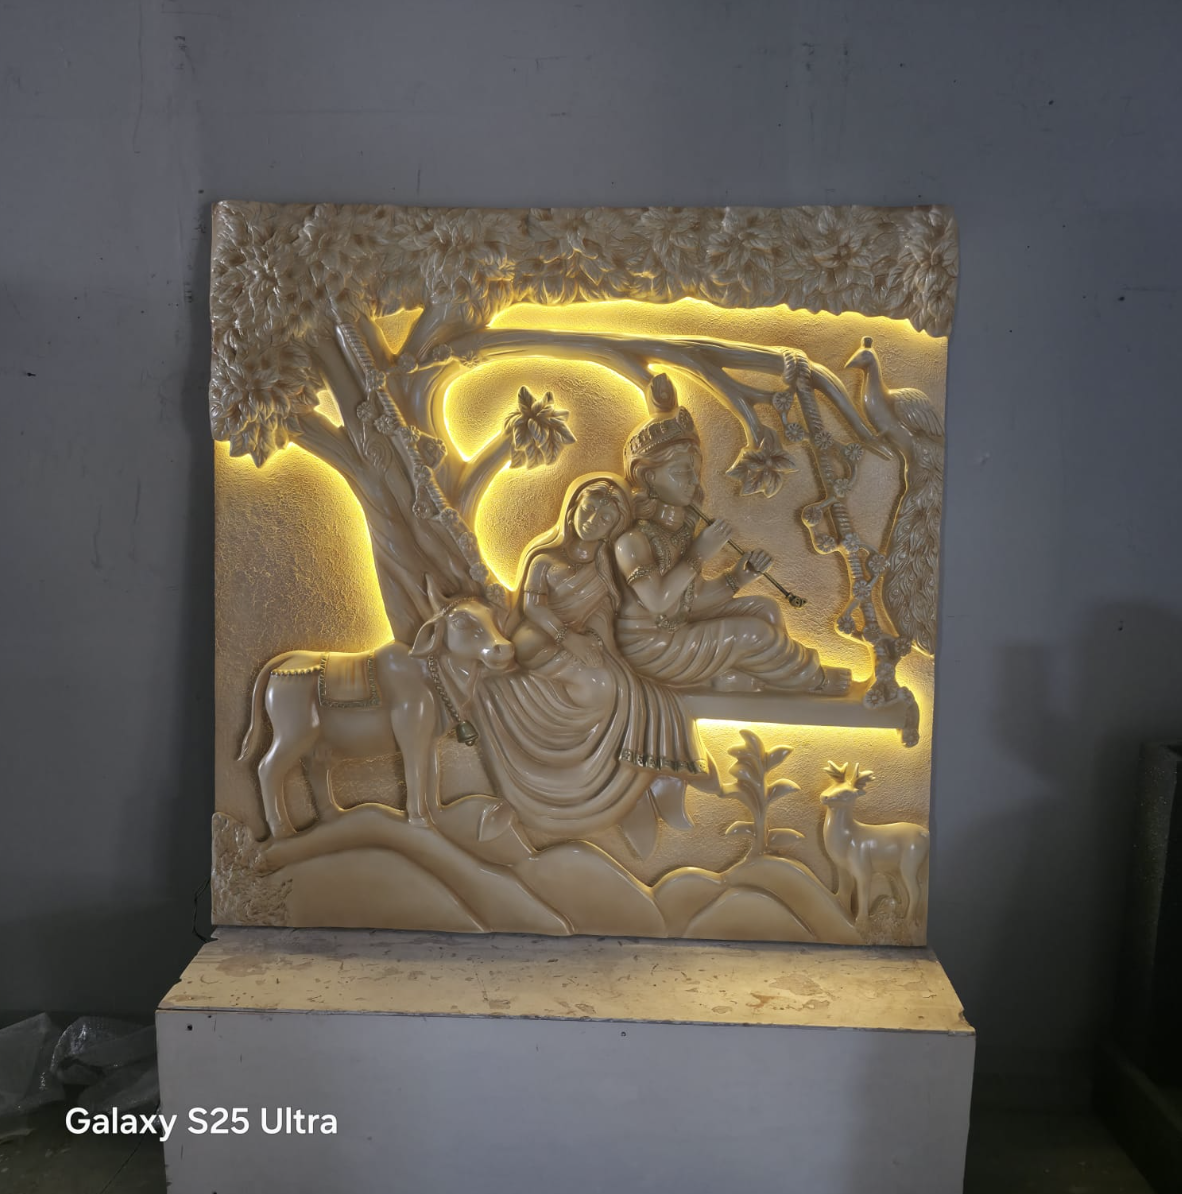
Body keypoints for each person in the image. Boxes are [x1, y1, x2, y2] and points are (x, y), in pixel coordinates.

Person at [474, 475, 703, 838]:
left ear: (613, 529)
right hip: (539, 640)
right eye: (590, 508)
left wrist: (606, 651)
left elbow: (604, 614)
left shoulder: (604, 569)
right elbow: (533, 608)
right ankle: (561, 755)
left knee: (616, 683)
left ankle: (595, 768)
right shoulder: (545, 559)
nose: (594, 519)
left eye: (606, 517)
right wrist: (568, 638)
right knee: (598, 684)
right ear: (573, 509)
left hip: (579, 639)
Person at [613, 375, 850, 696]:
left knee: (766, 611)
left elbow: (690, 604)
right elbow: (658, 603)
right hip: (652, 645)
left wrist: (738, 578)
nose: (692, 481)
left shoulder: (679, 532)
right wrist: (699, 553)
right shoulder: (633, 541)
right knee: (754, 634)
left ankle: (734, 675)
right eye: (681, 472)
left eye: (694, 471)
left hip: (678, 628)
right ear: (648, 476)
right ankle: (813, 679)